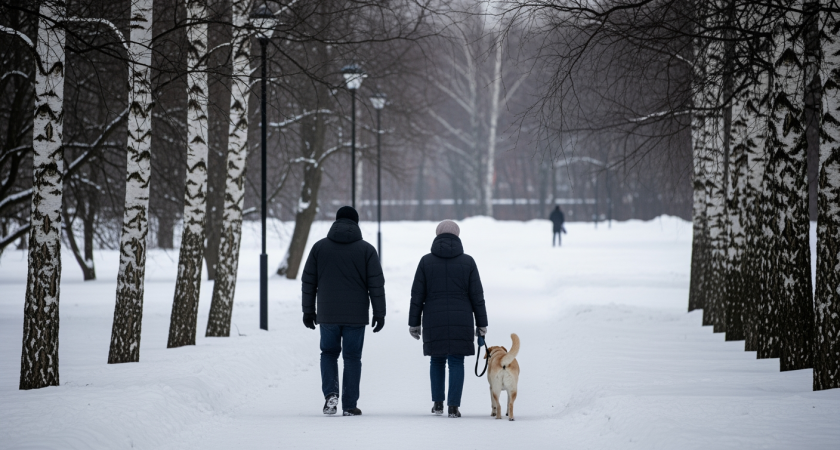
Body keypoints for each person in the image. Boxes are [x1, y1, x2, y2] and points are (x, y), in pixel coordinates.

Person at [301, 206, 385, 417]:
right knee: (352, 357)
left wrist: (308, 311)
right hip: (356, 315)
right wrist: (379, 313)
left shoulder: (319, 248)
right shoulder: (366, 250)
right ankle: (349, 405)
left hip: (328, 313)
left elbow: (308, 281)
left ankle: (331, 394)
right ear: (356, 223)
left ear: (336, 221)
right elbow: (376, 285)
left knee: (328, 354)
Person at [408, 220, 488, 418]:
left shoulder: (426, 261)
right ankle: (453, 407)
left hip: (434, 318)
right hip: (462, 318)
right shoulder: (468, 262)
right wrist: (482, 323)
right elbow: (477, 295)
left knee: (436, 360)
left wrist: (414, 322)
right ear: (457, 236)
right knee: (456, 362)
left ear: (437, 235)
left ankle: (437, 404)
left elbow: (417, 294)